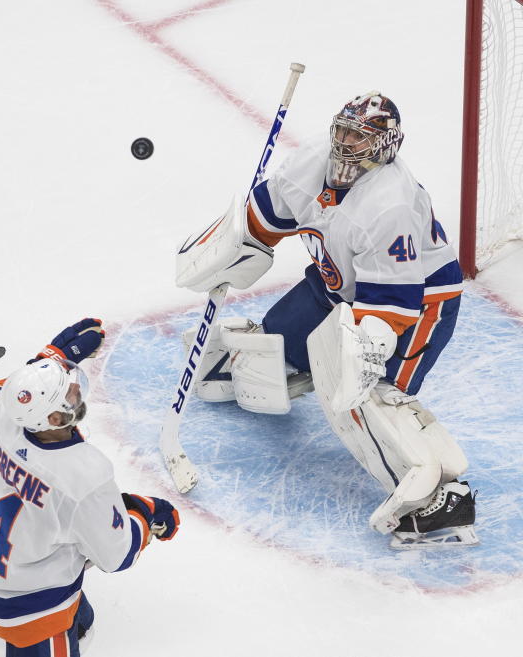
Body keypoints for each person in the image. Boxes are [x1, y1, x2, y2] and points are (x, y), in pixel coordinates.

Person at [175, 91, 477, 549]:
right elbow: (265, 219)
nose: (345, 143)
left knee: (370, 398)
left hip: (417, 305)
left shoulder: (389, 204)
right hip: (338, 281)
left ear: (385, 145)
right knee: (280, 344)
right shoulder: (312, 160)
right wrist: (232, 250)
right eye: (343, 130)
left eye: (360, 136)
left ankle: (438, 498)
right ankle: (297, 370)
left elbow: (390, 305)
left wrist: (358, 361)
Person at [0, 318, 180, 655]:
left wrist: (46, 361)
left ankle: (78, 625)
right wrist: (146, 514)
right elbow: (116, 555)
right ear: (53, 419)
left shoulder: (4, 417)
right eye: (66, 392)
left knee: (66, 562)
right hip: (36, 607)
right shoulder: (84, 475)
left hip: (4, 567)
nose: (76, 389)